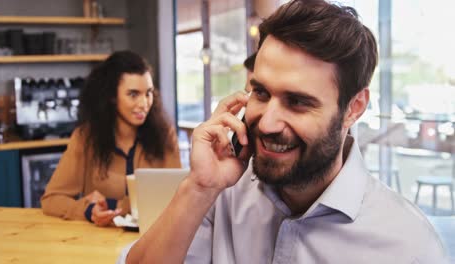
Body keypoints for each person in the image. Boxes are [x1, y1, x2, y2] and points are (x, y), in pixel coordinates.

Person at [122, 1, 447, 263]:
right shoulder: (223, 195)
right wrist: (198, 187)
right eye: (261, 93)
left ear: (354, 108)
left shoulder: (409, 246)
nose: (266, 123)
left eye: (298, 102)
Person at [41, 51, 181, 227]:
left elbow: (177, 198)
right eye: (133, 94)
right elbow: (52, 199)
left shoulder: (165, 136)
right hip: (97, 244)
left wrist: (117, 206)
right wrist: (88, 210)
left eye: (148, 93)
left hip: (152, 240)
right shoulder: (85, 138)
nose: (144, 103)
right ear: (112, 97)